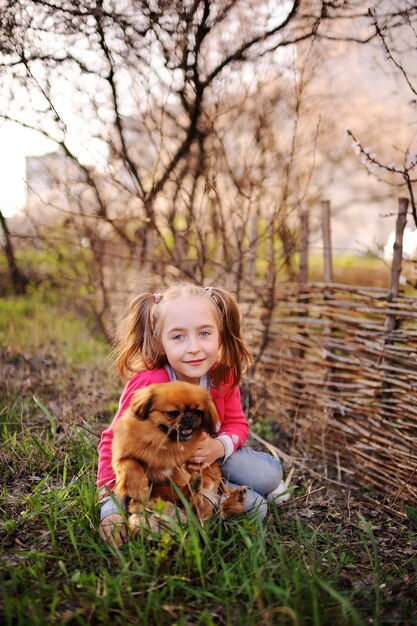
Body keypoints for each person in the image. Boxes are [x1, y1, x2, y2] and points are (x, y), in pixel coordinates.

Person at [97, 282, 288, 545]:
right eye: (178, 337)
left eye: (204, 333)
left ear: (219, 334)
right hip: (166, 472)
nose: (194, 347)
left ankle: (242, 487)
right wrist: (110, 507)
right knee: (257, 510)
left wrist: (218, 447)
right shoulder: (151, 383)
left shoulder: (223, 375)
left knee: (269, 474)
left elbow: (237, 425)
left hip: (213, 460)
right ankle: (228, 497)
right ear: (160, 342)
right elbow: (114, 440)